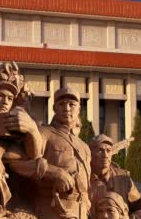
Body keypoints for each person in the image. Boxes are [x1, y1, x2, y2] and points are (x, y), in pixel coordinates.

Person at [31, 86, 92, 218]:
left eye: (72, 104)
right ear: (54, 108)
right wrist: (56, 173)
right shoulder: (43, 134)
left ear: (79, 109)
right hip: (53, 208)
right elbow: (23, 162)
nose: (67, 108)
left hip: (80, 210)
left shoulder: (84, 146)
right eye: (61, 104)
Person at [89, 134, 141, 209]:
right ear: (90, 153)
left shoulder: (123, 178)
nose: (105, 155)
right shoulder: (82, 176)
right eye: (100, 150)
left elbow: (137, 205)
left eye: (108, 150)